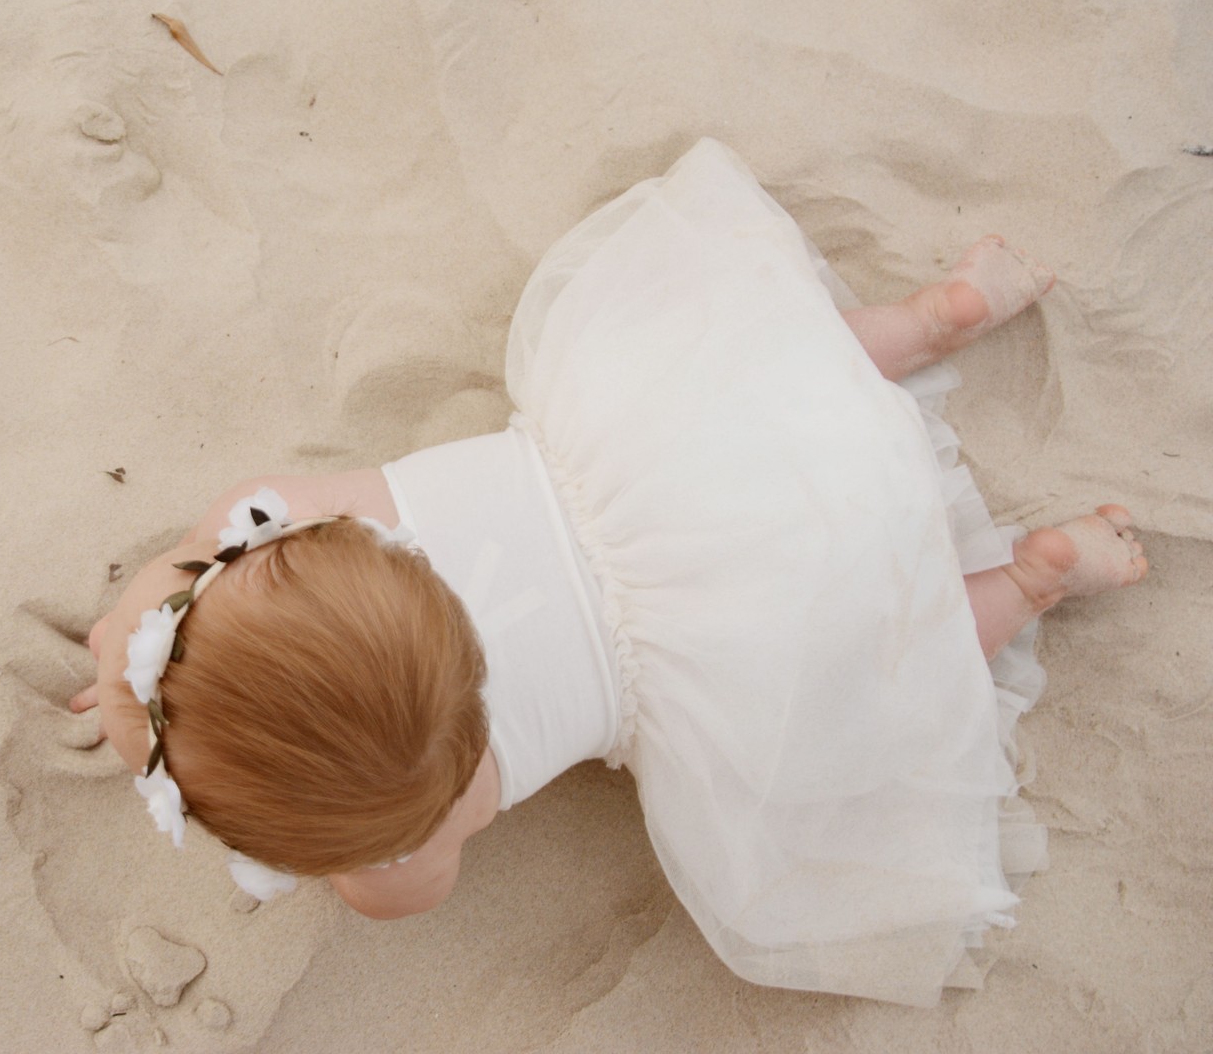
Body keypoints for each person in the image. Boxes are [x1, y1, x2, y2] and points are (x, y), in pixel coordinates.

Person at [68, 140, 1148, 1005]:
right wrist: (145, 666)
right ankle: (927, 323)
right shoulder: (276, 516)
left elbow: (377, 885)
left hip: (732, 639)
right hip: (642, 460)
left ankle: (1033, 577)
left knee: (876, 673)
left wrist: (202, 755)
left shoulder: (409, 842)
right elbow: (161, 601)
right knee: (764, 374)